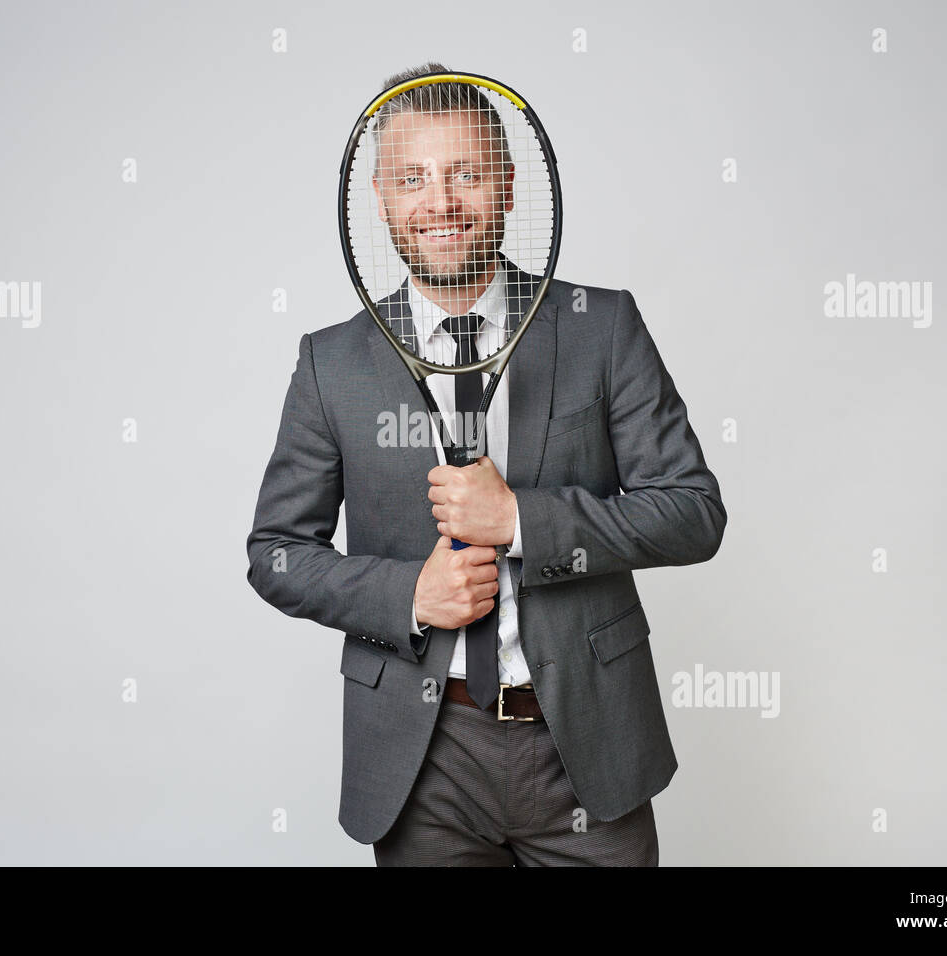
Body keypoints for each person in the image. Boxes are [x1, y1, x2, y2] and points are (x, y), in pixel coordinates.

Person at [246, 62, 726, 865]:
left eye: (465, 172)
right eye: (412, 178)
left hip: (585, 745)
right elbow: (276, 555)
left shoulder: (601, 328)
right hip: (422, 758)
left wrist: (521, 521)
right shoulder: (332, 364)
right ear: (382, 200)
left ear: (506, 184)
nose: (440, 202)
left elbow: (693, 512)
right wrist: (410, 594)